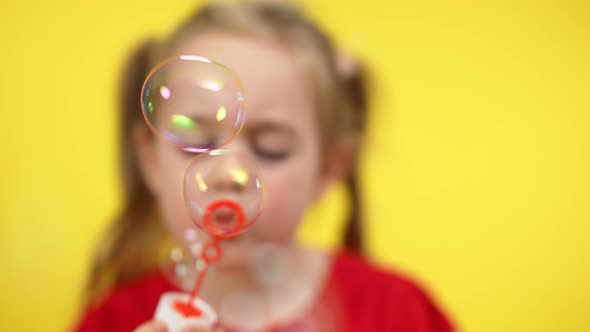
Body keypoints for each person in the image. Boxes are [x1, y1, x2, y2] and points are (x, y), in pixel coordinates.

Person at [73, 1, 455, 331]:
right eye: (197, 143)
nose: (227, 174)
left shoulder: (400, 312)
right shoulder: (111, 323)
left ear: (328, 169)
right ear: (151, 160)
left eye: (271, 149)